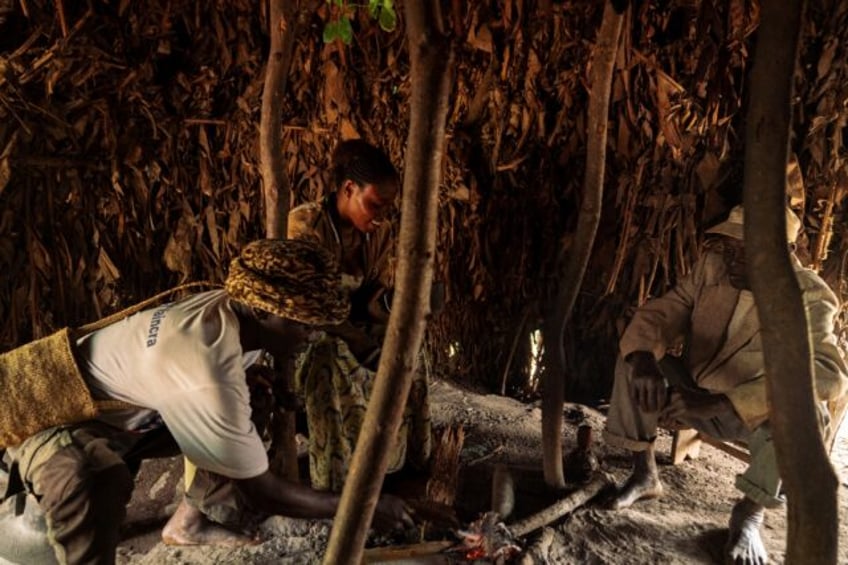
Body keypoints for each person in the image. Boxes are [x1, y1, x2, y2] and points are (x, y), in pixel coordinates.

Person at [1, 239, 414, 564]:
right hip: (50, 418)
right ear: (261, 311)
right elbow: (264, 493)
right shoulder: (206, 366)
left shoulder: (225, 311)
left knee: (250, 402)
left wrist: (244, 384)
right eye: (301, 324)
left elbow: (190, 382)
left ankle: (188, 523)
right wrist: (364, 505)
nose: (311, 334)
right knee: (93, 476)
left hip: (120, 413)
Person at [603, 204, 848, 565]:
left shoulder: (810, 297)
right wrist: (642, 357)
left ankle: (749, 514)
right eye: (730, 248)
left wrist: (728, 403)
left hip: (752, 415)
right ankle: (645, 473)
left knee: (805, 413)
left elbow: (829, 374)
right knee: (634, 359)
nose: (732, 259)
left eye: (746, 251)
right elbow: (662, 312)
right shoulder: (712, 269)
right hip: (691, 390)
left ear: (785, 252)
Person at [287, 138, 433, 493]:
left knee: (410, 345)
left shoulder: (375, 236)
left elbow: (368, 295)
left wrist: (392, 311)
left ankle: (399, 461)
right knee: (329, 356)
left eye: (387, 208)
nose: (381, 216)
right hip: (303, 337)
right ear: (349, 189)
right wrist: (362, 340)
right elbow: (310, 310)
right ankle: (336, 481)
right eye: (375, 205)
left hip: (352, 327)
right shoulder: (306, 226)